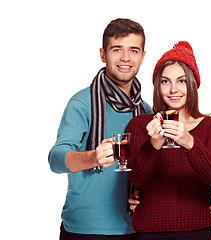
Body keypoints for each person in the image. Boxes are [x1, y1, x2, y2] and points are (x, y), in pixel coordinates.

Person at [48, 18, 152, 240]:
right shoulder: (82, 103)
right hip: (85, 230)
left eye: (133, 50)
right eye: (117, 49)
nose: (125, 58)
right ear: (103, 55)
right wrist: (93, 157)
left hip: (135, 228)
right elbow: (56, 160)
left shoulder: (146, 110)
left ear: (143, 56)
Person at [125, 41, 211, 240]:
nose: (173, 89)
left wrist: (189, 141)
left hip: (198, 231)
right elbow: (136, 178)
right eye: (165, 81)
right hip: (150, 232)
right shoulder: (140, 125)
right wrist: (154, 144)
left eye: (181, 81)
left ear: (192, 84)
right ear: (157, 86)